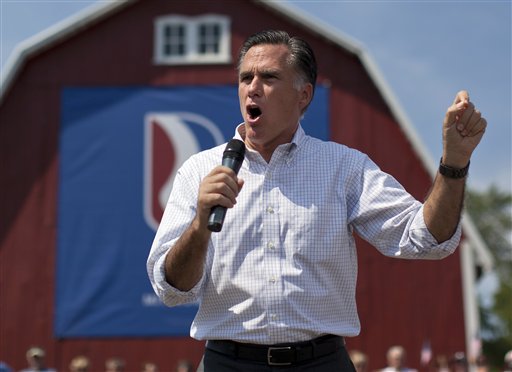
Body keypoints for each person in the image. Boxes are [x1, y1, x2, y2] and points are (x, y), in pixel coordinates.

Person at [147, 29, 487, 372]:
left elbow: (427, 239)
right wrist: (200, 224)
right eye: (245, 77)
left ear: (304, 95)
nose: (252, 87)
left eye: (269, 77)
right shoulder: (199, 171)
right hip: (228, 363)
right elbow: (171, 288)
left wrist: (454, 163)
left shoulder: (343, 168)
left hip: (321, 363)